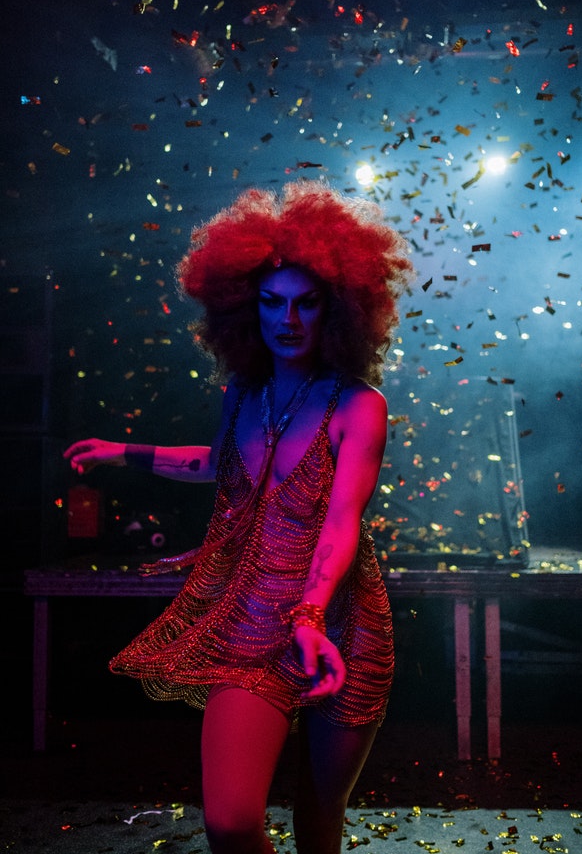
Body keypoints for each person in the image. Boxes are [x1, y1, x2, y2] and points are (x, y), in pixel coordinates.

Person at [64, 179, 414, 854]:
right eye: (272, 301)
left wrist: (310, 617)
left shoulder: (359, 405)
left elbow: (342, 520)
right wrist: (123, 451)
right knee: (229, 822)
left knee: (319, 819)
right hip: (250, 620)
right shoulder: (243, 394)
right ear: (246, 307)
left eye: (306, 302)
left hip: (342, 622)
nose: (288, 319)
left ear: (339, 308)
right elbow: (217, 463)